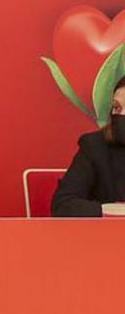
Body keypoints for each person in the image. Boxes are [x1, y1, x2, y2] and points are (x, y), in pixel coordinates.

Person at [52, 75, 125, 216]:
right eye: (117, 107)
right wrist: (110, 211)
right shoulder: (94, 146)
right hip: (103, 234)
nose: (121, 115)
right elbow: (63, 204)